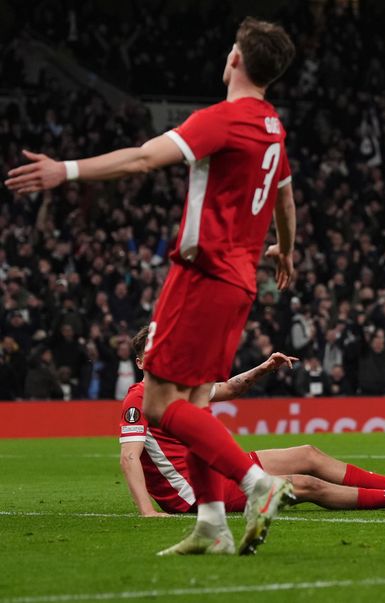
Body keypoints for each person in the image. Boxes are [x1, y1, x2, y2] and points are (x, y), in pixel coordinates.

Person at [6, 18, 299, 556]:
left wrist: (65, 171)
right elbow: (284, 195)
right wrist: (287, 250)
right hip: (240, 281)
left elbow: (142, 158)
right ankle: (212, 524)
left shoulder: (223, 119)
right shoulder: (273, 126)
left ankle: (259, 484)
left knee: (163, 405)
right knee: (196, 401)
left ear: (236, 59)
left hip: (202, 276)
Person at [120, 327, 385, 517]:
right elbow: (130, 456)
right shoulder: (139, 399)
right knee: (304, 484)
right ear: (140, 362)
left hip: (216, 470)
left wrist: (263, 368)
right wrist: (148, 512)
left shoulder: (183, 385)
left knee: (308, 454)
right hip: (193, 492)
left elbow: (230, 387)